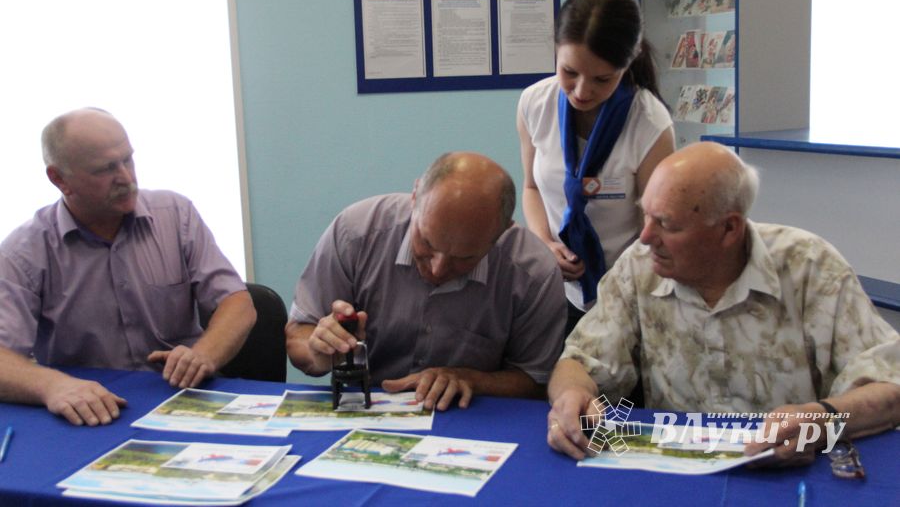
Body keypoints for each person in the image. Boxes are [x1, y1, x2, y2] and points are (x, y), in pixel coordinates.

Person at [546, 142, 900, 466]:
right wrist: (572, 395)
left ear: (729, 229)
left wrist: (822, 419)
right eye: (646, 216)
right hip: (677, 469)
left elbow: (890, 387)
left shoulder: (810, 268)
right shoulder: (638, 268)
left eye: (665, 223)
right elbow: (578, 362)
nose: (645, 237)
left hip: (795, 470)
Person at [0, 108, 256, 426]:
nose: (125, 177)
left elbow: (237, 303)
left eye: (128, 160)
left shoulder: (175, 215)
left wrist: (205, 354)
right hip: (92, 410)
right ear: (60, 179)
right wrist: (53, 385)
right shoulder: (24, 251)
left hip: (183, 397)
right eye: (105, 169)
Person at [286, 152, 566, 411]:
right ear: (415, 196)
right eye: (427, 243)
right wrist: (318, 351)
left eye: (464, 258)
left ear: (503, 231)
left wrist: (469, 379)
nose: (438, 268)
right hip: (364, 407)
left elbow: (535, 382)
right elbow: (298, 333)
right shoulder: (356, 234)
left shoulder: (533, 272)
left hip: (473, 416)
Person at [517, 0, 674, 333]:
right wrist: (544, 243)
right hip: (558, 291)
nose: (582, 91)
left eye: (603, 79)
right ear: (556, 52)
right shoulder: (534, 104)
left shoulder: (649, 124)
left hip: (629, 293)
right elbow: (530, 187)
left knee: (612, 391)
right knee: (565, 384)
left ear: (627, 63)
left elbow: (659, 224)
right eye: (569, 72)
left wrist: (621, 287)